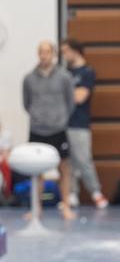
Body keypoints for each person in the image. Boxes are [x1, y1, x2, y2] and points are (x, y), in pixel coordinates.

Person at [23, 41, 75, 220]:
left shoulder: (64, 77)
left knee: (64, 168)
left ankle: (66, 206)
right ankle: (36, 208)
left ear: (53, 54)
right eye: (41, 52)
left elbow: (71, 103)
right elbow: (26, 103)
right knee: (37, 171)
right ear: (38, 54)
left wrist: (60, 118)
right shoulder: (29, 78)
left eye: (47, 52)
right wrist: (39, 117)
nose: (44, 55)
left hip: (58, 129)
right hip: (37, 129)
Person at [60, 38, 108, 209]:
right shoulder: (65, 72)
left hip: (79, 123)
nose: (64, 55)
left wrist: (66, 94)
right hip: (63, 122)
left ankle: (96, 192)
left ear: (76, 50)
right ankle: (72, 193)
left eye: (66, 51)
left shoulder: (87, 72)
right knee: (68, 161)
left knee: (83, 159)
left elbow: (80, 97)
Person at [0, 120, 12, 201]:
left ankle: (7, 193)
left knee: (5, 164)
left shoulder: (5, 134)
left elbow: (6, 154)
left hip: (2, 160)